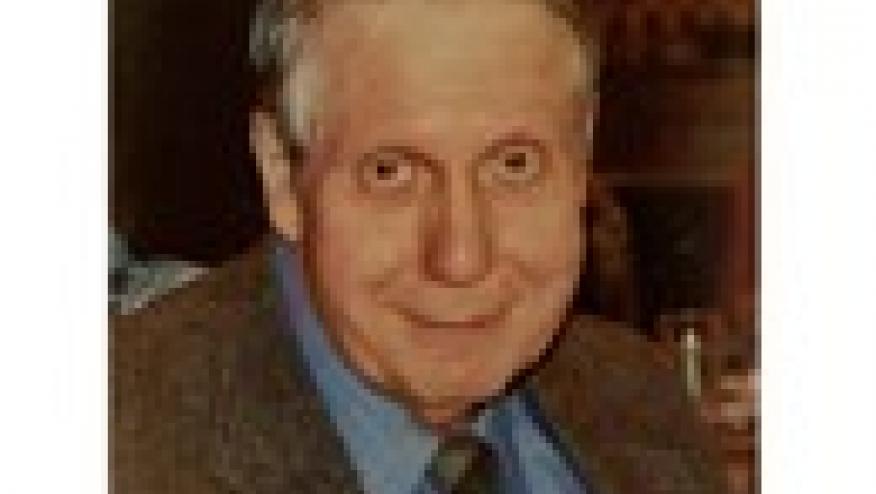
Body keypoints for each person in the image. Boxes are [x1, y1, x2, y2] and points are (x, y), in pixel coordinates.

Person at [112, 0, 730, 492]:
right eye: (391, 173)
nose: (461, 258)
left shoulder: (643, 398)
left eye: (513, 165)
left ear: (582, 152)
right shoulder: (119, 440)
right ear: (282, 176)